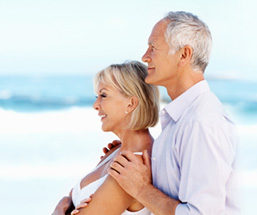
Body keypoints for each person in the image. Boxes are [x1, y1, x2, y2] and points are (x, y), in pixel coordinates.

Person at [105, 11, 239, 215]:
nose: (145, 56)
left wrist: (140, 189)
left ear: (184, 55)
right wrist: (132, 147)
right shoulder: (181, 119)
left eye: (153, 48)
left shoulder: (200, 122)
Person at [52, 61, 159, 215]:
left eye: (104, 95)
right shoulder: (117, 151)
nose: (95, 105)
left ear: (131, 103)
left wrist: (58, 210)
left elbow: (67, 203)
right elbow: (70, 199)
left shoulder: (131, 167)